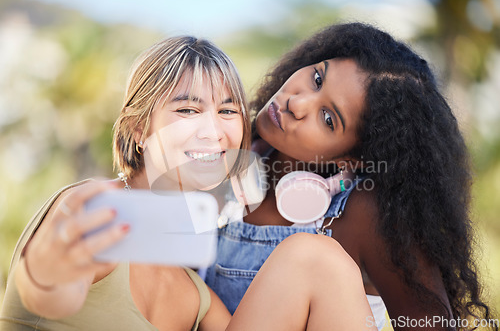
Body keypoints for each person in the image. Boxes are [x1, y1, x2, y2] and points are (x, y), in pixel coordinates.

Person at [0, 35, 378, 331]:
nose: (213, 131)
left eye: (227, 111)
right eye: (187, 110)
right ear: (138, 129)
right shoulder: (94, 208)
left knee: (320, 261)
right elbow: (48, 294)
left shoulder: (194, 293)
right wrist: (46, 275)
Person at [205, 22, 498, 331]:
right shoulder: (221, 157)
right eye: (317, 78)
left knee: (312, 256)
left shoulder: (363, 214)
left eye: (328, 118)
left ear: (351, 158)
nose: (297, 102)